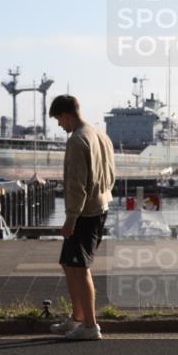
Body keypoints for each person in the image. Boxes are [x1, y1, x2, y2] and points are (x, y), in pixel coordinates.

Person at [47, 94, 115, 340]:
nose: (59, 125)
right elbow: (111, 173)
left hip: (85, 212)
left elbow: (77, 184)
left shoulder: (77, 140)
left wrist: (71, 218)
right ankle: (77, 318)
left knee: (79, 267)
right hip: (100, 206)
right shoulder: (100, 135)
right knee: (68, 264)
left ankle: (90, 326)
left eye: (58, 119)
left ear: (66, 115)